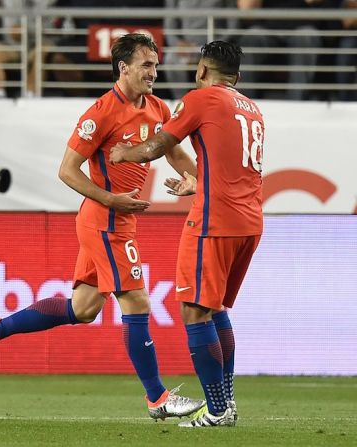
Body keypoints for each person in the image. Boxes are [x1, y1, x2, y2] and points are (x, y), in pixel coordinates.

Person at [0, 33, 204, 421]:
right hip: (105, 220)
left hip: (118, 218)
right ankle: (157, 399)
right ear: (123, 67)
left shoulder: (158, 107)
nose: (153, 72)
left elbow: (174, 152)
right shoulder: (101, 113)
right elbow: (66, 170)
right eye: (146, 65)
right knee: (138, 301)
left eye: (156, 65)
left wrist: (194, 180)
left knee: (84, 308)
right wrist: (110, 199)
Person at [110, 40, 264, 428]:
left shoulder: (202, 98)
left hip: (215, 222)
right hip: (249, 221)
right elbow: (230, 166)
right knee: (215, 309)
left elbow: (158, 146)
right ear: (238, 77)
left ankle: (216, 410)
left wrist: (124, 153)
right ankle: (226, 403)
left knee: (194, 309)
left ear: (201, 72)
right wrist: (198, 182)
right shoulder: (253, 109)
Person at [163, 0, 238, 100]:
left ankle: (213, 101)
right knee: (171, 58)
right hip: (187, 48)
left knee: (217, 61)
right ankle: (181, 103)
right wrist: (178, 44)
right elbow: (169, 27)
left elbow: (233, 27)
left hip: (215, 46)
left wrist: (214, 47)